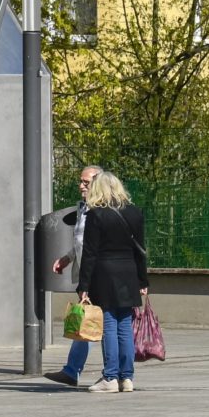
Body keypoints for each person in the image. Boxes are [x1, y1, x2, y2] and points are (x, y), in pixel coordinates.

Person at [74, 167, 149, 392]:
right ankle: (127, 377)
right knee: (125, 324)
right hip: (128, 273)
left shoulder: (96, 214)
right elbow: (141, 250)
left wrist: (83, 286)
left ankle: (110, 377)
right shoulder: (135, 212)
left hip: (104, 274)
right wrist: (143, 280)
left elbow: (89, 253)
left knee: (108, 325)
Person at [45, 166, 102, 390]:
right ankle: (71, 370)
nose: (81, 186)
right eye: (81, 181)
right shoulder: (83, 208)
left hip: (100, 274)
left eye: (86, 182)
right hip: (85, 272)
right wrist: (68, 258)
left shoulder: (103, 210)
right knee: (83, 320)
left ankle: (116, 373)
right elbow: (81, 241)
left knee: (103, 324)